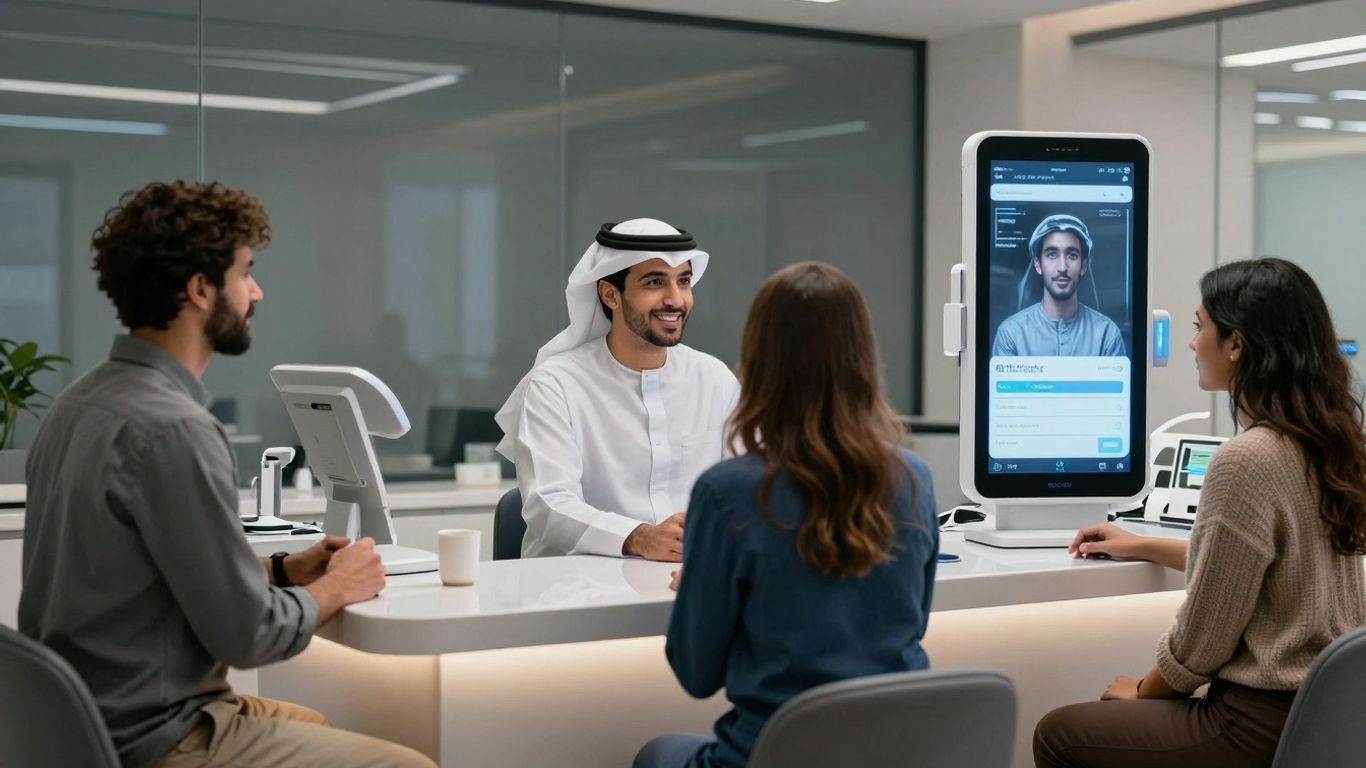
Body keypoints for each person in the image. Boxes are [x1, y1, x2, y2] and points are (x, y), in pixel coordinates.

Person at [19, 181, 435, 768]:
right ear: (200, 289)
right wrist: (338, 586)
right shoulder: (176, 429)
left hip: (74, 725)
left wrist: (285, 570)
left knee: (313, 724)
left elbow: (154, 576)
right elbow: (249, 636)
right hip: (155, 736)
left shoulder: (78, 404)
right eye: (245, 273)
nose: (256, 291)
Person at [1033, 257, 1366, 768]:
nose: (1191, 343)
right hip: (1331, 718)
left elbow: (1202, 643)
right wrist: (1141, 545)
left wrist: (1142, 690)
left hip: (1256, 723)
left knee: (1058, 734)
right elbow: (1256, 570)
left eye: (1199, 326)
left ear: (1236, 345)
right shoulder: (1330, 445)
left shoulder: (1245, 459)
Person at [634, 262, 940, 768]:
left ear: (758, 362)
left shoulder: (727, 492)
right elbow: (912, 624)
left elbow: (696, 674)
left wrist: (711, 585)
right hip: (892, 753)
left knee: (658, 753)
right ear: (864, 357)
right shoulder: (916, 478)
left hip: (766, 756)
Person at [495, 219, 739, 560]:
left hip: (683, 578)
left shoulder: (714, 380)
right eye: (655, 282)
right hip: (573, 583)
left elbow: (746, 488)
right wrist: (640, 538)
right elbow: (549, 503)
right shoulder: (556, 384)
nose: (675, 299)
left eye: (683, 281)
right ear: (610, 294)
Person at [992, 214, 1126, 357]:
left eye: (1072, 255)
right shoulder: (1011, 334)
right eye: (1052, 254)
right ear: (1038, 264)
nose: (1062, 267)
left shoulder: (1108, 335)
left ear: (1083, 266)